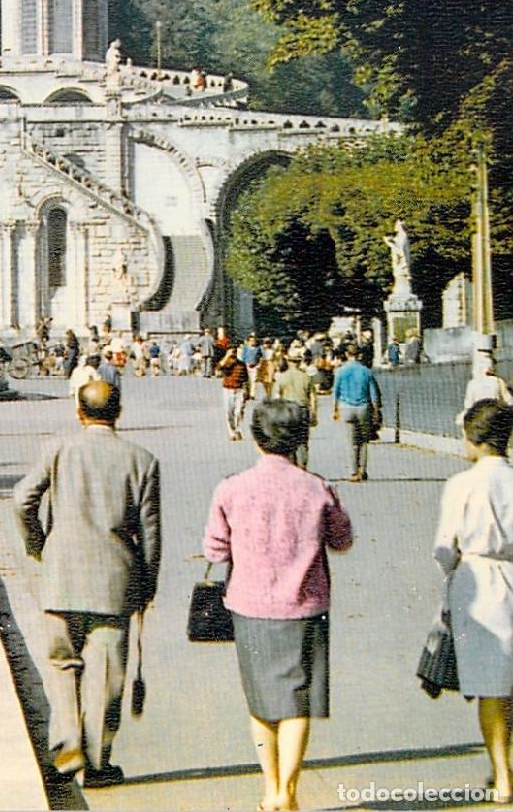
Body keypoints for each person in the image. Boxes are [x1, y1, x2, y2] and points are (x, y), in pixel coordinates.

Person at [204, 398, 354, 812]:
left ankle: (269, 786)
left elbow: (214, 549)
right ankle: (288, 789)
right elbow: (342, 540)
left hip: (250, 606)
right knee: (297, 700)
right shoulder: (318, 487)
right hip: (305, 606)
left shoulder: (230, 488)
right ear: (300, 439)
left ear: (256, 438)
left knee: (261, 702)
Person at [13, 379, 160, 788]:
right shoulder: (142, 460)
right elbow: (150, 533)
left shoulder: (58, 449)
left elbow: (22, 499)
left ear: (79, 412)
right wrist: (147, 583)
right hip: (116, 580)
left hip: (61, 573)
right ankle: (96, 762)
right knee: (107, 671)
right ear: (119, 412)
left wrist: (40, 543)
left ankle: (66, 746)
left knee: (62, 663)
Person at [433, 399, 513, 804]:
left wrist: (451, 573)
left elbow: (444, 548)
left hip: (478, 582)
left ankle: (503, 775)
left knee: (491, 686)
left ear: (474, 438)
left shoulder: (461, 485)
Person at [332, 343, 383, 481]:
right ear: (359, 355)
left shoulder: (340, 371)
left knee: (351, 441)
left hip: (346, 407)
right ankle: (363, 470)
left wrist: (335, 409)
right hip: (363, 407)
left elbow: (335, 392)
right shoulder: (366, 371)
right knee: (364, 441)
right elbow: (373, 393)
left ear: (347, 354)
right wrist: (376, 411)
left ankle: (353, 471)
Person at [273, 355, 319, 468]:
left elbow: (276, 397)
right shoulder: (306, 377)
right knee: (302, 440)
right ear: (299, 362)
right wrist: (314, 414)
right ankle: (302, 466)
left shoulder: (281, 377)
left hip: (287, 410)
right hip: (302, 409)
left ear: (289, 362)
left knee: (289, 440)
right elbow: (313, 397)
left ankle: (292, 466)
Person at [221, 346, 249, 441]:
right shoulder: (226, 363)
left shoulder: (241, 364)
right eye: (231, 352)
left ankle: (237, 430)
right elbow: (218, 368)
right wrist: (226, 356)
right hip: (228, 390)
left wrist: (247, 391)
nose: (233, 354)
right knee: (229, 412)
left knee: (238, 411)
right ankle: (231, 432)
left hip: (239, 389)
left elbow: (246, 378)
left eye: (234, 352)